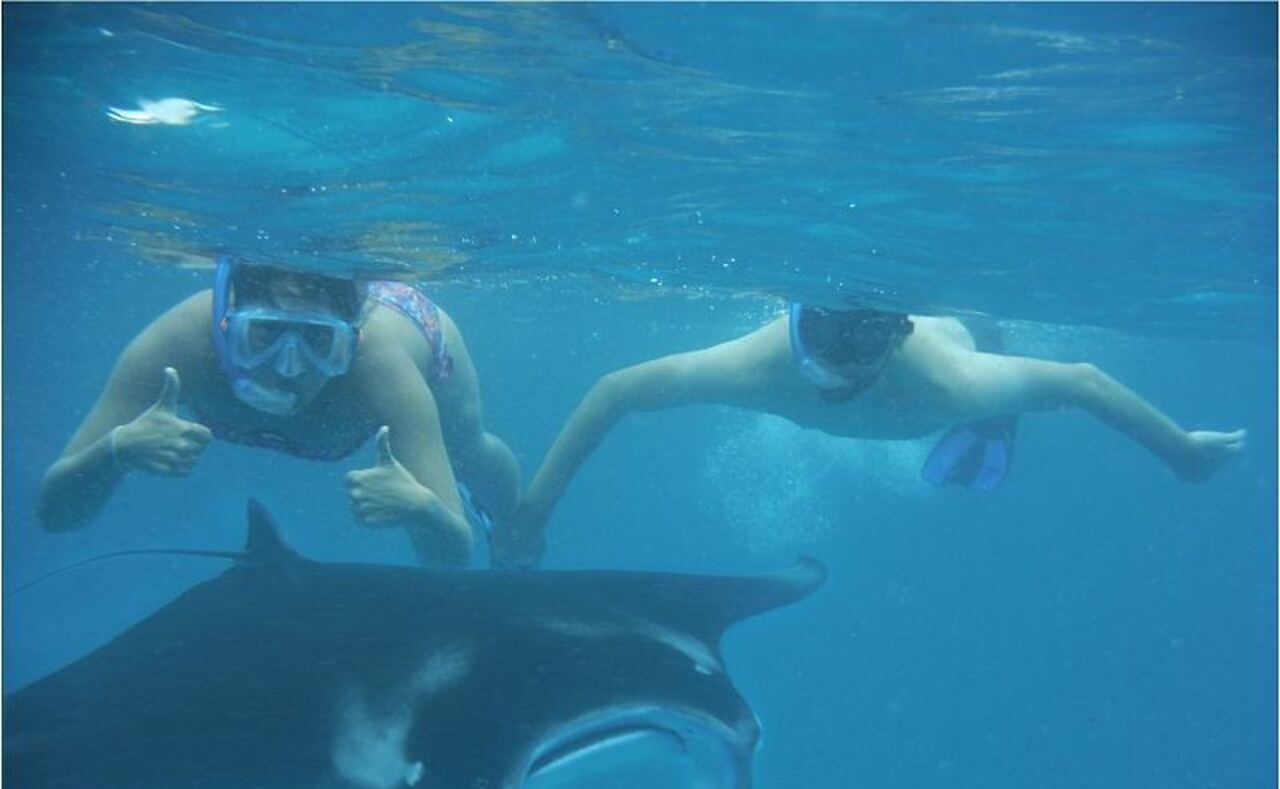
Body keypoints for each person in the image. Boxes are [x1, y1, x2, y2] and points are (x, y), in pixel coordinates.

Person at [493, 302, 1246, 567]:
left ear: (891, 342)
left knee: (1009, 379)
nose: (829, 367)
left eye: (851, 355)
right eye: (817, 341)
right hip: (916, 389)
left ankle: (992, 427)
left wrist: (1181, 451)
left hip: (964, 337)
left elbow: (1082, 381)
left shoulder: (951, 380)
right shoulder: (756, 365)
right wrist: (534, 511)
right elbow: (615, 391)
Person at [38, 258, 520, 567]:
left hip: (410, 322)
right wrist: (115, 451)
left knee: (468, 449)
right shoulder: (179, 345)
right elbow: (55, 516)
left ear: (349, 345)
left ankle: (518, 528)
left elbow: (450, 561)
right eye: (265, 334)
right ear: (226, 327)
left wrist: (425, 511)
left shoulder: (381, 369)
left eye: (319, 341)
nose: (288, 368)